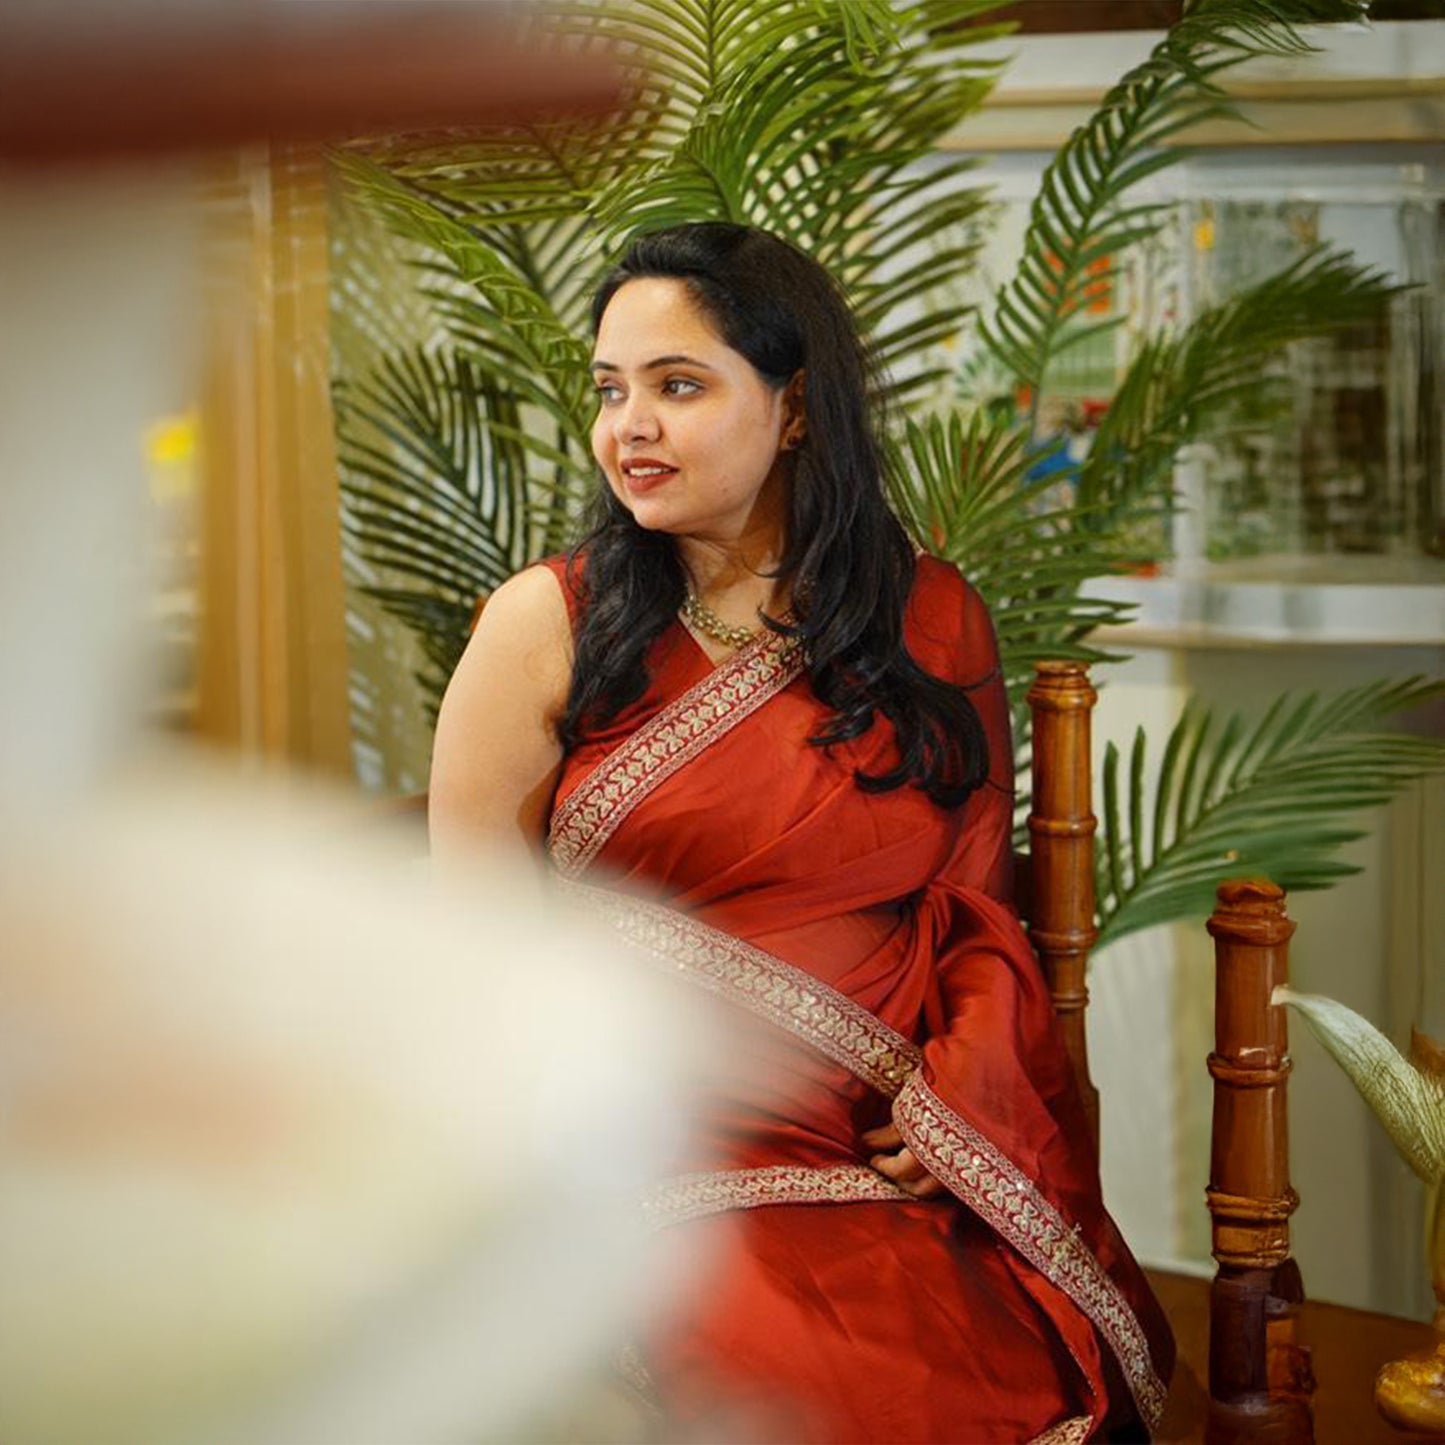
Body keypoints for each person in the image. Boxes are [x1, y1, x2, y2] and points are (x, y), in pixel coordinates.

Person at [429, 221, 1174, 1442]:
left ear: (792, 409)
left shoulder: (929, 619)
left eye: (678, 386)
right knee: (803, 1383)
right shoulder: (546, 624)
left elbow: (973, 908)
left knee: (1014, 1375)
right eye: (610, 390)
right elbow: (471, 950)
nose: (629, 427)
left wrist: (956, 1104)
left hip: (888, 1148)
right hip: (648, 1148)